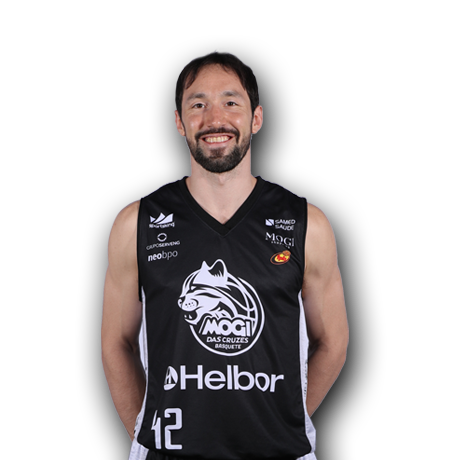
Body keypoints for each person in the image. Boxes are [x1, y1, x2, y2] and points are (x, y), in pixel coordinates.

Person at [101, 48, 349, 460]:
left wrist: (285, 419)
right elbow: (116, 343)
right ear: (179, 122)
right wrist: (147, 433)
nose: (214, 119)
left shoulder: (308, 223)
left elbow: (333, 341)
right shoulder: (135, 223)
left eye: (231, 102)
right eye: (198, 104)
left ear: (256, 118)